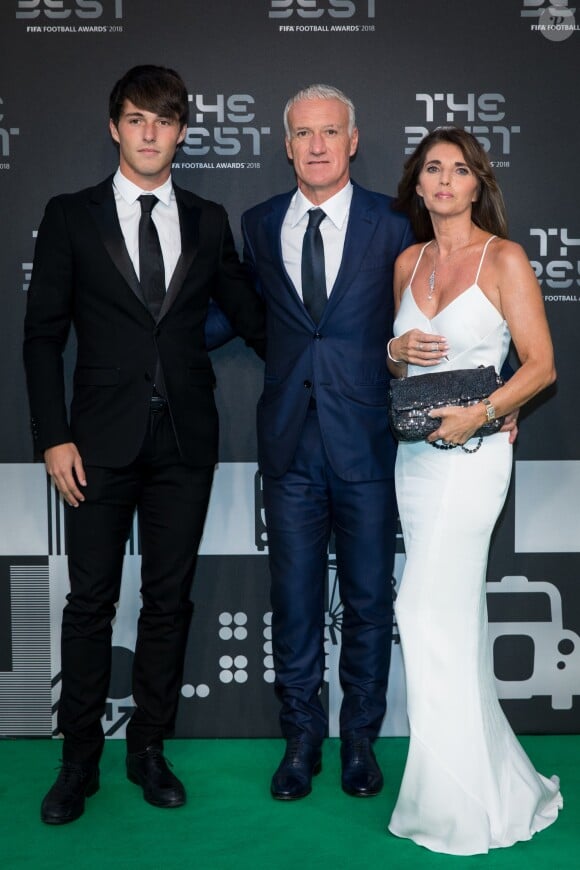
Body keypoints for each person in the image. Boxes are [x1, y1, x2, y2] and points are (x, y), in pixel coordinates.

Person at [23, 64, 265, 825]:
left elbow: (253, 320)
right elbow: (41, 339)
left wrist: (341, 344)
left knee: (168, 602)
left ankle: (149, 751)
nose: (149, 132)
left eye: (163, 120)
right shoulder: (70, 215)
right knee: (91, 602)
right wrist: (52, 436)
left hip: (185, 444)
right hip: (93, 444)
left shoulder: (209, 219)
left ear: (183, 132)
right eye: (135, 118)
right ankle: (77, 763)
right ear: (114, 127)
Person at [386, 126, 562, 854]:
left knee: (419, 605)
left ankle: (456, 801)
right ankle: (476, 785)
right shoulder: (407, 261)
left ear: (476, 183)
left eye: (460, 169)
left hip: (474, 458)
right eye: (434, 169)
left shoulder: (504, 258)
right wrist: (393, 353)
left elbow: (541, 365)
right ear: (419, 185)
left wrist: (485, 413)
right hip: (416, 465)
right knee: (448, 618)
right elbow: (404, 376)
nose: (447, 181)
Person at [241, 85, 414, 801]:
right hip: (289, 451)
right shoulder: (255, 225)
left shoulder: (396, 223)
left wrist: (493, 398)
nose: (316, 145)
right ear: (287, 145)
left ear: (353, 140)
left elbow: (441, 309)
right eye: (303, 133)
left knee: (371, 602)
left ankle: (361, 742)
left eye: (330, 132)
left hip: (369, 446)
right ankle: (302, 741)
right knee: (295, 601)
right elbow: (240, 316)